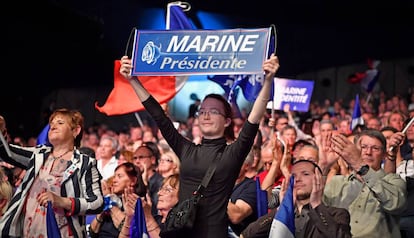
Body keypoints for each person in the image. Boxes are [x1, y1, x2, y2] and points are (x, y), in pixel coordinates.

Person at [120, 53, 279, 238]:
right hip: (183, 233)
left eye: (213, 111)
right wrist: (133, 80)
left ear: (227, 121)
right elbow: (160, 117)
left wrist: (268, 81)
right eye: (202, 111)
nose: (206, 115)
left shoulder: (233, 153)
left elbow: (254, 120)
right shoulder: (187, 149)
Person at [0, 108, 104, 237]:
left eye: (60, 123)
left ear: (75, 130)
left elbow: (97, 203)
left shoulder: (85, 163)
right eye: (52, 124)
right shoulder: (38, 154)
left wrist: (62, 201)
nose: (53, 126)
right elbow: (6, 153)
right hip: (28, 232)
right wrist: (1, 131)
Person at [324, 129, 407, 238]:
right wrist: (323, 165)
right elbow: (314, 210)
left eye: (375, 148)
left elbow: (394, 204)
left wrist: (360, 165)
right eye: (363, 147)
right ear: (354, 150)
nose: (368, 152)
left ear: (383, 155)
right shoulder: (337, 182)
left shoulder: (393, 181)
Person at [240, 157, 352, 238]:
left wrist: (317, 206)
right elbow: (248, 235)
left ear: (318, 179)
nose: (297, 179)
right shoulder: (280, 215)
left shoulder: (337, 214)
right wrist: (282, 208)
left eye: (305, 174)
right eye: (293, 176)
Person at [89, 162, 146, 237]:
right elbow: (92, 233)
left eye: (119, 176)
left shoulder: (139, 203)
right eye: (114, 176)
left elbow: (129, 230)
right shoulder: (113, 200)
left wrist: (110, 201)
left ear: (133, 181)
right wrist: (105, 202)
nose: (114, 180)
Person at [119, 173, 180, 238]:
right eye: (161, 189)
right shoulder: (155, 219)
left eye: (167, 190)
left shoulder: (180, 226)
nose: (159, 193)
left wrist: (147, 217)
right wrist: (130, 217)